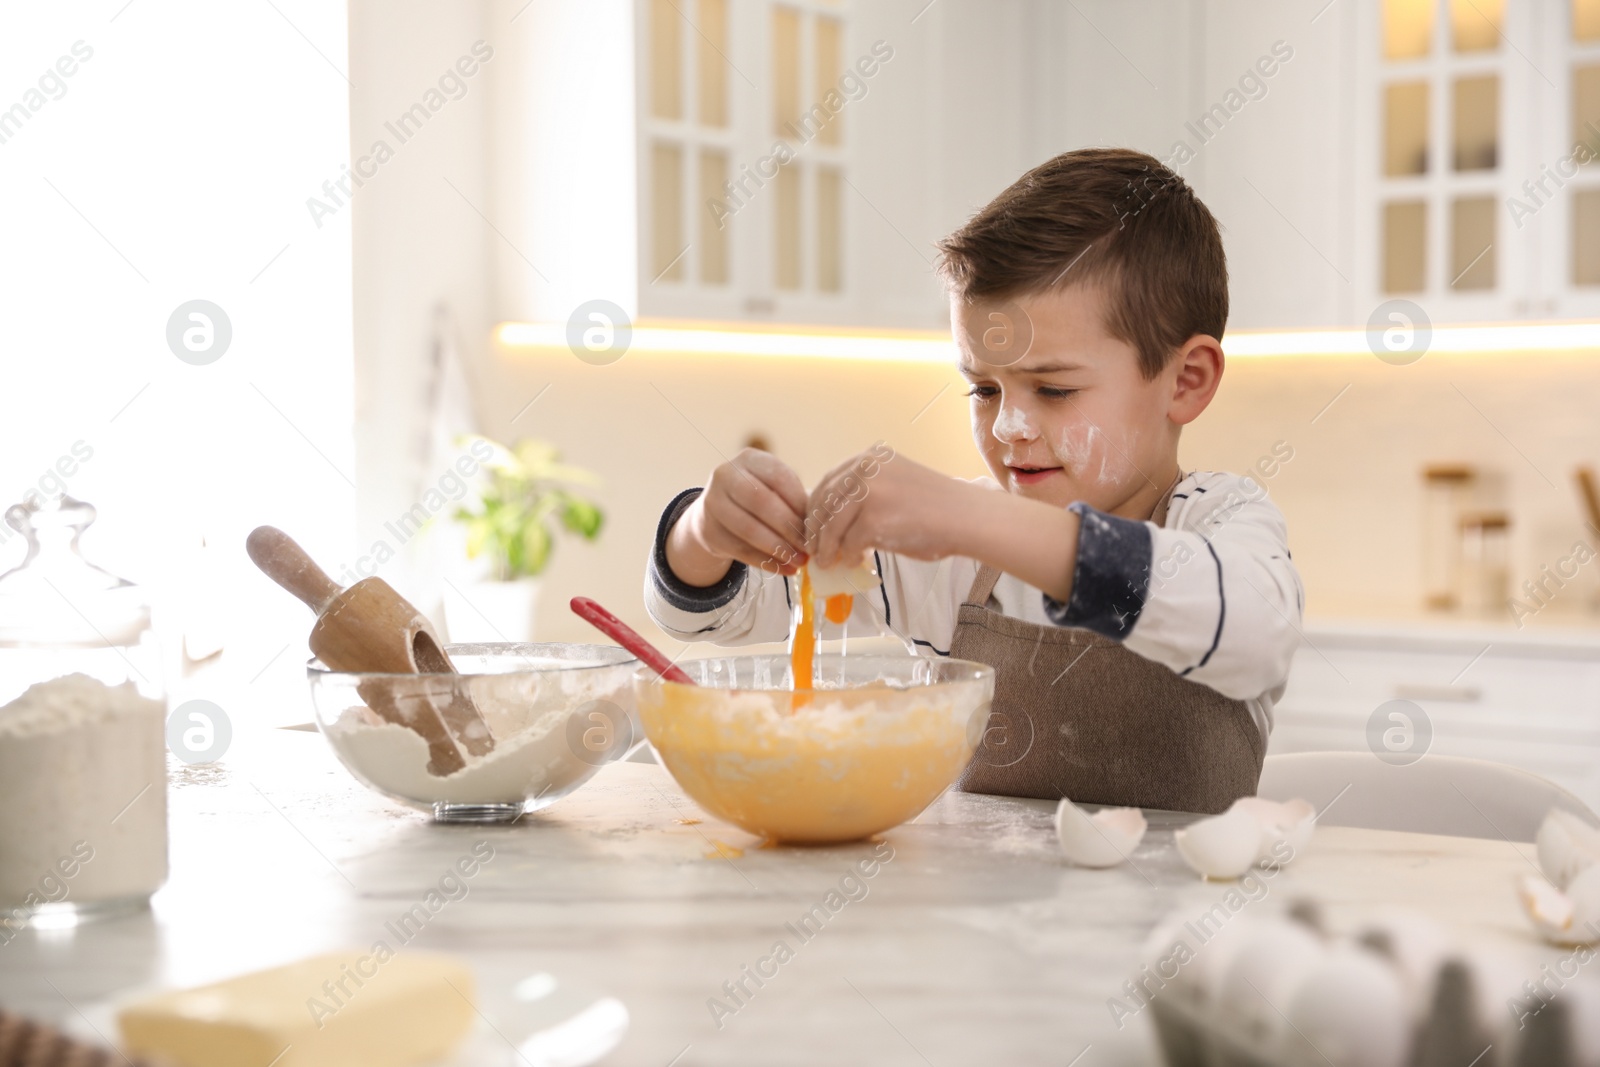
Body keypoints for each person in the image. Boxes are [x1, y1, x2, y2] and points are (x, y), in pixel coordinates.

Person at [642, 148, 1303, 814]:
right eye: (983, 388)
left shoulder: (1220, 522)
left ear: (1185, 381)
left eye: (1053, 388)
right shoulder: (953, 559)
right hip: (985, 919)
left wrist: (972, 518)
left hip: (1194, 918)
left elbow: (1253, 629)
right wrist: (706, 530)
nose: (1010, 424)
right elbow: (711, 619)